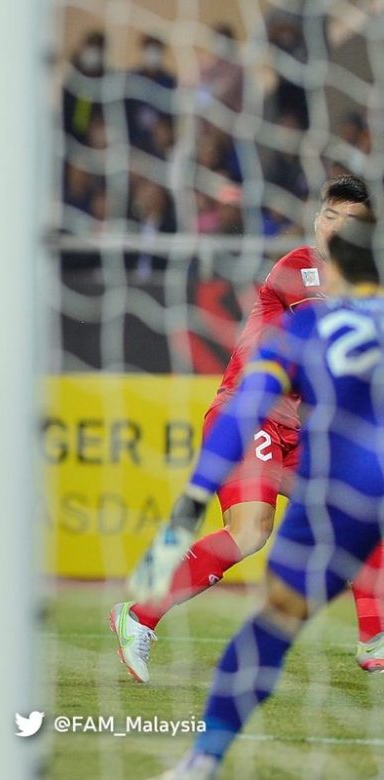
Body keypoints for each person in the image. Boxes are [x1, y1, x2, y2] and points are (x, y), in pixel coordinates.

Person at [129, 216, 383, 778]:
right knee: (253, 536)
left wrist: (196, 493)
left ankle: (205, 757)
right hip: (297, 442)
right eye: (329, 216)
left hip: (323, 453)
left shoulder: (333, 318)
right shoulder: (302, 283)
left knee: (284, 609)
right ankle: (142, 613)